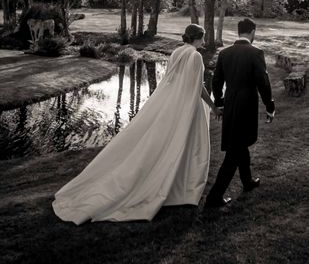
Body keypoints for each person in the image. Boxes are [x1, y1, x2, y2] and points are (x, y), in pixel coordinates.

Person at [52, 24, 222, 223]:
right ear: (197, 38)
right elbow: (198, 85)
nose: (203, 42)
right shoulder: (195, 56)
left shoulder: (176, 52)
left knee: (171, 142)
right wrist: (213, 106)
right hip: (186, 105)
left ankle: (177, 182)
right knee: (186, 142)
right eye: (202, 38)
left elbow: (171, 81)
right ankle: (181, 186)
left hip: (171, 104)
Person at [205, 18, 275, 208]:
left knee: (239, 144)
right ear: (252, 31)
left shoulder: (225, 53)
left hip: (229, 105)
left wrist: (219, 103)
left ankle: (247, 182)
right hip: (246, 107)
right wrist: (270, 106)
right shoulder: (256, 53)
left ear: (238, 32)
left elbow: (216, 81)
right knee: (234, 153)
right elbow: (263, 82)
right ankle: (214, 197)